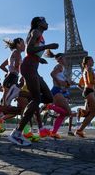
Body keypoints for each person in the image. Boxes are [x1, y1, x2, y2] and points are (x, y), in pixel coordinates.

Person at [8, 16, 58, 146]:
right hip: (29, 67)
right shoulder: (36, 32)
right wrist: (48, 46)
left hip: (33, 67)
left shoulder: (39, 34)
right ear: (39, 23)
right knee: (36, 100)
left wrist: (39, 59)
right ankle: (17, 133)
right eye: (44, 21)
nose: (47, 23)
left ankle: (19, 93)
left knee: (48, 97)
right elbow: (28, 49)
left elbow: (31, 52)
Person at [46, 50, 75, 138]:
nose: (66, 60)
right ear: (60, 59)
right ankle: (50, 106)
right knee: (69, 112)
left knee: (64, 113)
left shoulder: (62, 69)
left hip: (57, 91)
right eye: (65, 58)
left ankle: (54, 132)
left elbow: (63, 83)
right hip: (56, 90)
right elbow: (52, 74)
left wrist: (68, 83)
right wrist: (59, 82)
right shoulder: (59, 66)